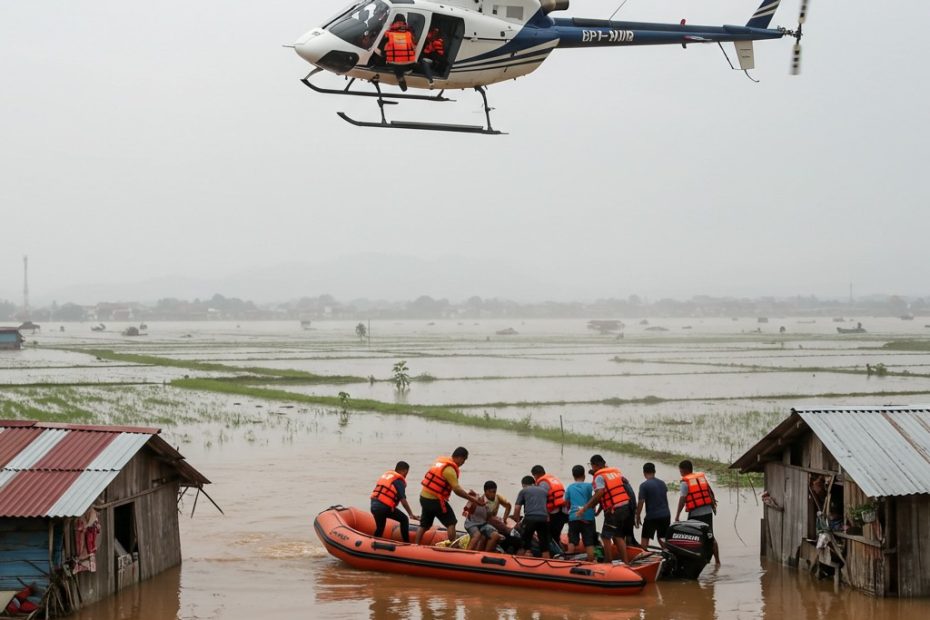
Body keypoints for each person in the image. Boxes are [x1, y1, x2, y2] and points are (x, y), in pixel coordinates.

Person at [414, 447, 484, 545]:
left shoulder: (441, 463)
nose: (463, 463)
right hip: (435, 501)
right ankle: (452, 545)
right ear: (459, 457)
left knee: (424, 525)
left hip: (424, 498)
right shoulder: (450, 470)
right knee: (452, 522)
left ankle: (416, 544)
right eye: (464, 460)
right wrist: (472, 499)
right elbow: (457, 490)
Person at [576, 455, 633, 564]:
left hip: (614, 510)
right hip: (625, 507)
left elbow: (600, 493)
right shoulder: (615, 472)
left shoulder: (599, 477)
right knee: (618, 535)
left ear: (595, 465)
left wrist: (585, 508)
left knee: (605, 536)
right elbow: (610, 494)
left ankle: (608, 560)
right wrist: (599, 510)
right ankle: (626, 562)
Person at [675, 459, 721, 565]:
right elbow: (710, 492)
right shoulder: (701, 478)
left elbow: (682, 499)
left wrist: (677, 515)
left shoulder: (685, 482)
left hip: (695, 514)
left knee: (693, 538)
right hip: (708, 512)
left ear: (685, 470)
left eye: (681, 471)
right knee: (710, 536)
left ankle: (695, 561)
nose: (680, 473)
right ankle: (717, 562)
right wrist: (713, 507)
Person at [370, 461, 419, 541]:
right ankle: (407, 544)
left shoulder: (388, 476)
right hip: (384, 507)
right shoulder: (399, 481)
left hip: (374, 506)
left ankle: (373, 544)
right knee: (404, 519)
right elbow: (403, 500)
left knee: (380, 528)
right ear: (405, 471)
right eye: (407, 472)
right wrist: (411, 514)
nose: (406, 475)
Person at [530, 465, 568, 555]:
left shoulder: (542, 483)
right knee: (556, 535)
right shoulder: (553, 479)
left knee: (548, 537)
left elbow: (542, 499)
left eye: (534, 476)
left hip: (553, 513)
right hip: (563, 511)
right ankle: (561, 553)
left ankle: (557, 555)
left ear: (536, 475)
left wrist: (544, 515)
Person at [512, 475, 551, 558]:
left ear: (524, 485)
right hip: (543, 519)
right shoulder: (544, 491)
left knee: (524, 543)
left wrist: (517, 522)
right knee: (544, 546)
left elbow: (517, 508)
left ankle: (519, 563)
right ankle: (546, 566)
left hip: (530, 518)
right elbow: (546, 507)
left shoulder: (524, 491)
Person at [635, 462, 671, 550]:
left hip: (652, 517)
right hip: (666, 515)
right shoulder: (662, 483)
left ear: (644, 473)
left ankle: (643, 556)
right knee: (662, 538)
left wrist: (637, 515)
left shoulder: (644, 486)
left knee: (645, 538)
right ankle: (669, 554)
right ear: (654, 471)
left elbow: (641, 502)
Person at [463, 481, 507, 552]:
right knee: (477, 535)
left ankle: (484, 555)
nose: (494, 494)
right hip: (471, 524)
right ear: (486, 491)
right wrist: (474, 501)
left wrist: (500, 523)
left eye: (495, 492)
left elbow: (489, 517)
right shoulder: (476, 497)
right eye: (492, 492)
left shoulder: (493, 502)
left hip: (483, 524)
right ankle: (465, 553)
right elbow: (466, 510)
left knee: (495, 535)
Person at [565, 464, 597, 562]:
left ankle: (569, 561)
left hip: (574, 517)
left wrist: (569, 512)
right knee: (589, 542)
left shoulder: (570, 487)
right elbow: (596, 497)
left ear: (573, 476)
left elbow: (567, 503)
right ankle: (592, 562)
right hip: (588, 517)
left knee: (572, 540)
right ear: (584, 475)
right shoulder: (589, 486)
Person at [383, 14, 416, 91]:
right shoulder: (409, 33)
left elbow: (383, 48)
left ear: (394, 22)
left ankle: (400, 79)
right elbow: (414, 45)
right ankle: (401, 78)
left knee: (395, 63)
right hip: (409, 64)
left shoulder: (388, 33)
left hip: (394, 64)